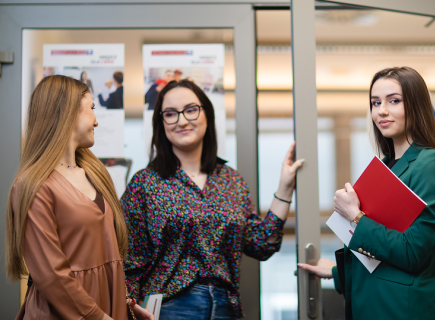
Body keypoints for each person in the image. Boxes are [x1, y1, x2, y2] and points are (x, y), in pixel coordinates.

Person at [122, 79, 303, 319]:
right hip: (168, 307)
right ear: (161, 123)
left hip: (225, 306)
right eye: (170, 114)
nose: (182, 120)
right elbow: (130, 259)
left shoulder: (231, 180)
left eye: (190, 110)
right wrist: (130, 308)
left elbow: (261, 244)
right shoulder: (145, 183)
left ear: (207, 114)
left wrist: (285, 188)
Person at [298, 67, 435, 320]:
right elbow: (383, 255)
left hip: (410, 310)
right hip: (382, 305)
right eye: (375, 103)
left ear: (417, 106)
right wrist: (336, 272)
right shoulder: (386, 166)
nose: (381, 111)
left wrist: (355, 216)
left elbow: (413, 253)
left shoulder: (431, 163)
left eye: (393, 101)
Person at [5, 75, 153, 320]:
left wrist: (126, 305)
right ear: (67, 111)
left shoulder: (96, 175)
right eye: (92, 109)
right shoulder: (33, 185)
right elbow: (52, 275)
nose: (96, 121)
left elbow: (106, 255)